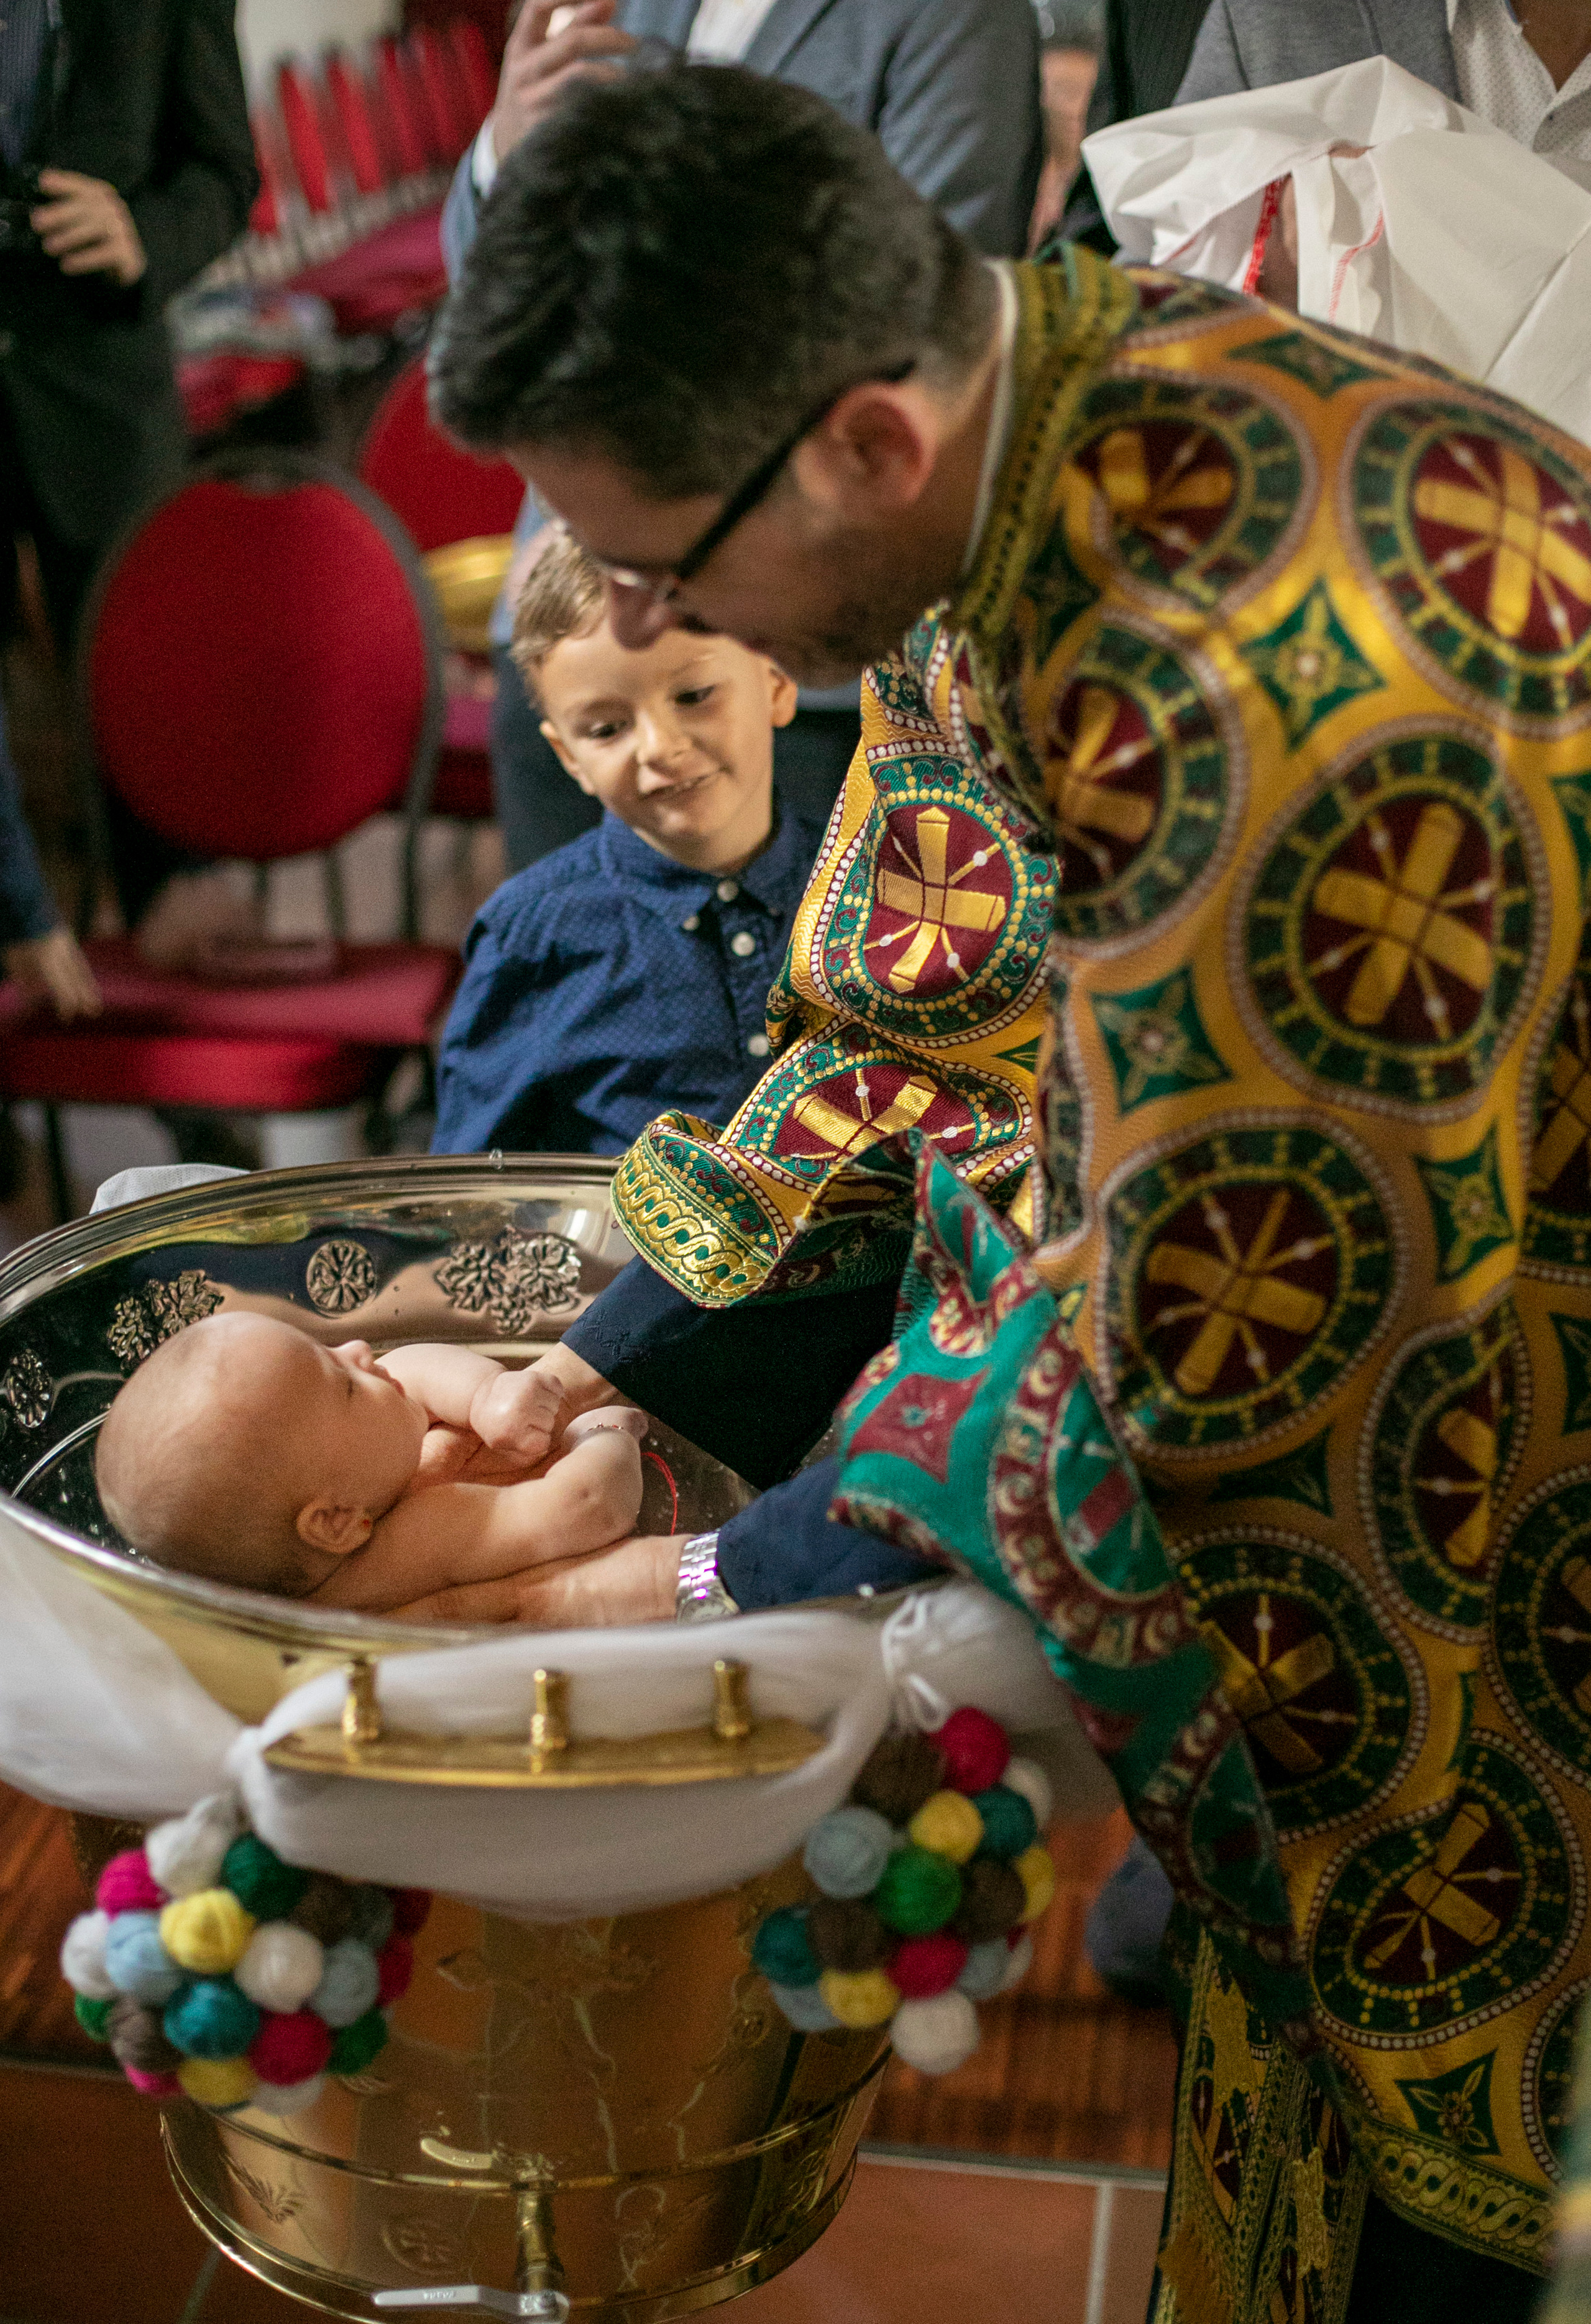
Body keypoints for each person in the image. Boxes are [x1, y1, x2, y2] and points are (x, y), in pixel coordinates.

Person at [429, 60, 1591, 2323]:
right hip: (1327, 1387)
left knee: (1454, 2208)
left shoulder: (1283, 699)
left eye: (672, 569)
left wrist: (709, 1580)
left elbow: (1221, 1356)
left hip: (1481, 1524)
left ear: (855, 436)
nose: (654, 617)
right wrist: (597, 1361)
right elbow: (923, 1028)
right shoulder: (1035, 420)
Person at [439, 0, 1044, 870]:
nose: (637, 620)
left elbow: (906, 315)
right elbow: (499, 331)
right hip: (570, 621)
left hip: (790, 657)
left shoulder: (948, 17)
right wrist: (508, 156)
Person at [432, 526, 816, 1157]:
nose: (660, 747)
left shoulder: (878, 888)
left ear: (775, 681)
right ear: (569, 757)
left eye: (694, 696)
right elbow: (475, 1197)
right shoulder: (531, 936)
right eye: (607, 728)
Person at [0, 0, 258, 930]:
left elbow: (227, 174)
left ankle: (163, 950)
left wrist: (144, 235)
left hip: (100, 391)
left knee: (140, 694)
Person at [95, 1312, 649, 1617]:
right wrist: (603, 1434)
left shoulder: (360, 1457)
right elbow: (588, 1506)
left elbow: (411, 1368)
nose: (359, 1348)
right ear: (336, 1521)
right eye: (346, 1386)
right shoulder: (423, 1536)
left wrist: (486, 1395)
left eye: (326, 1346)